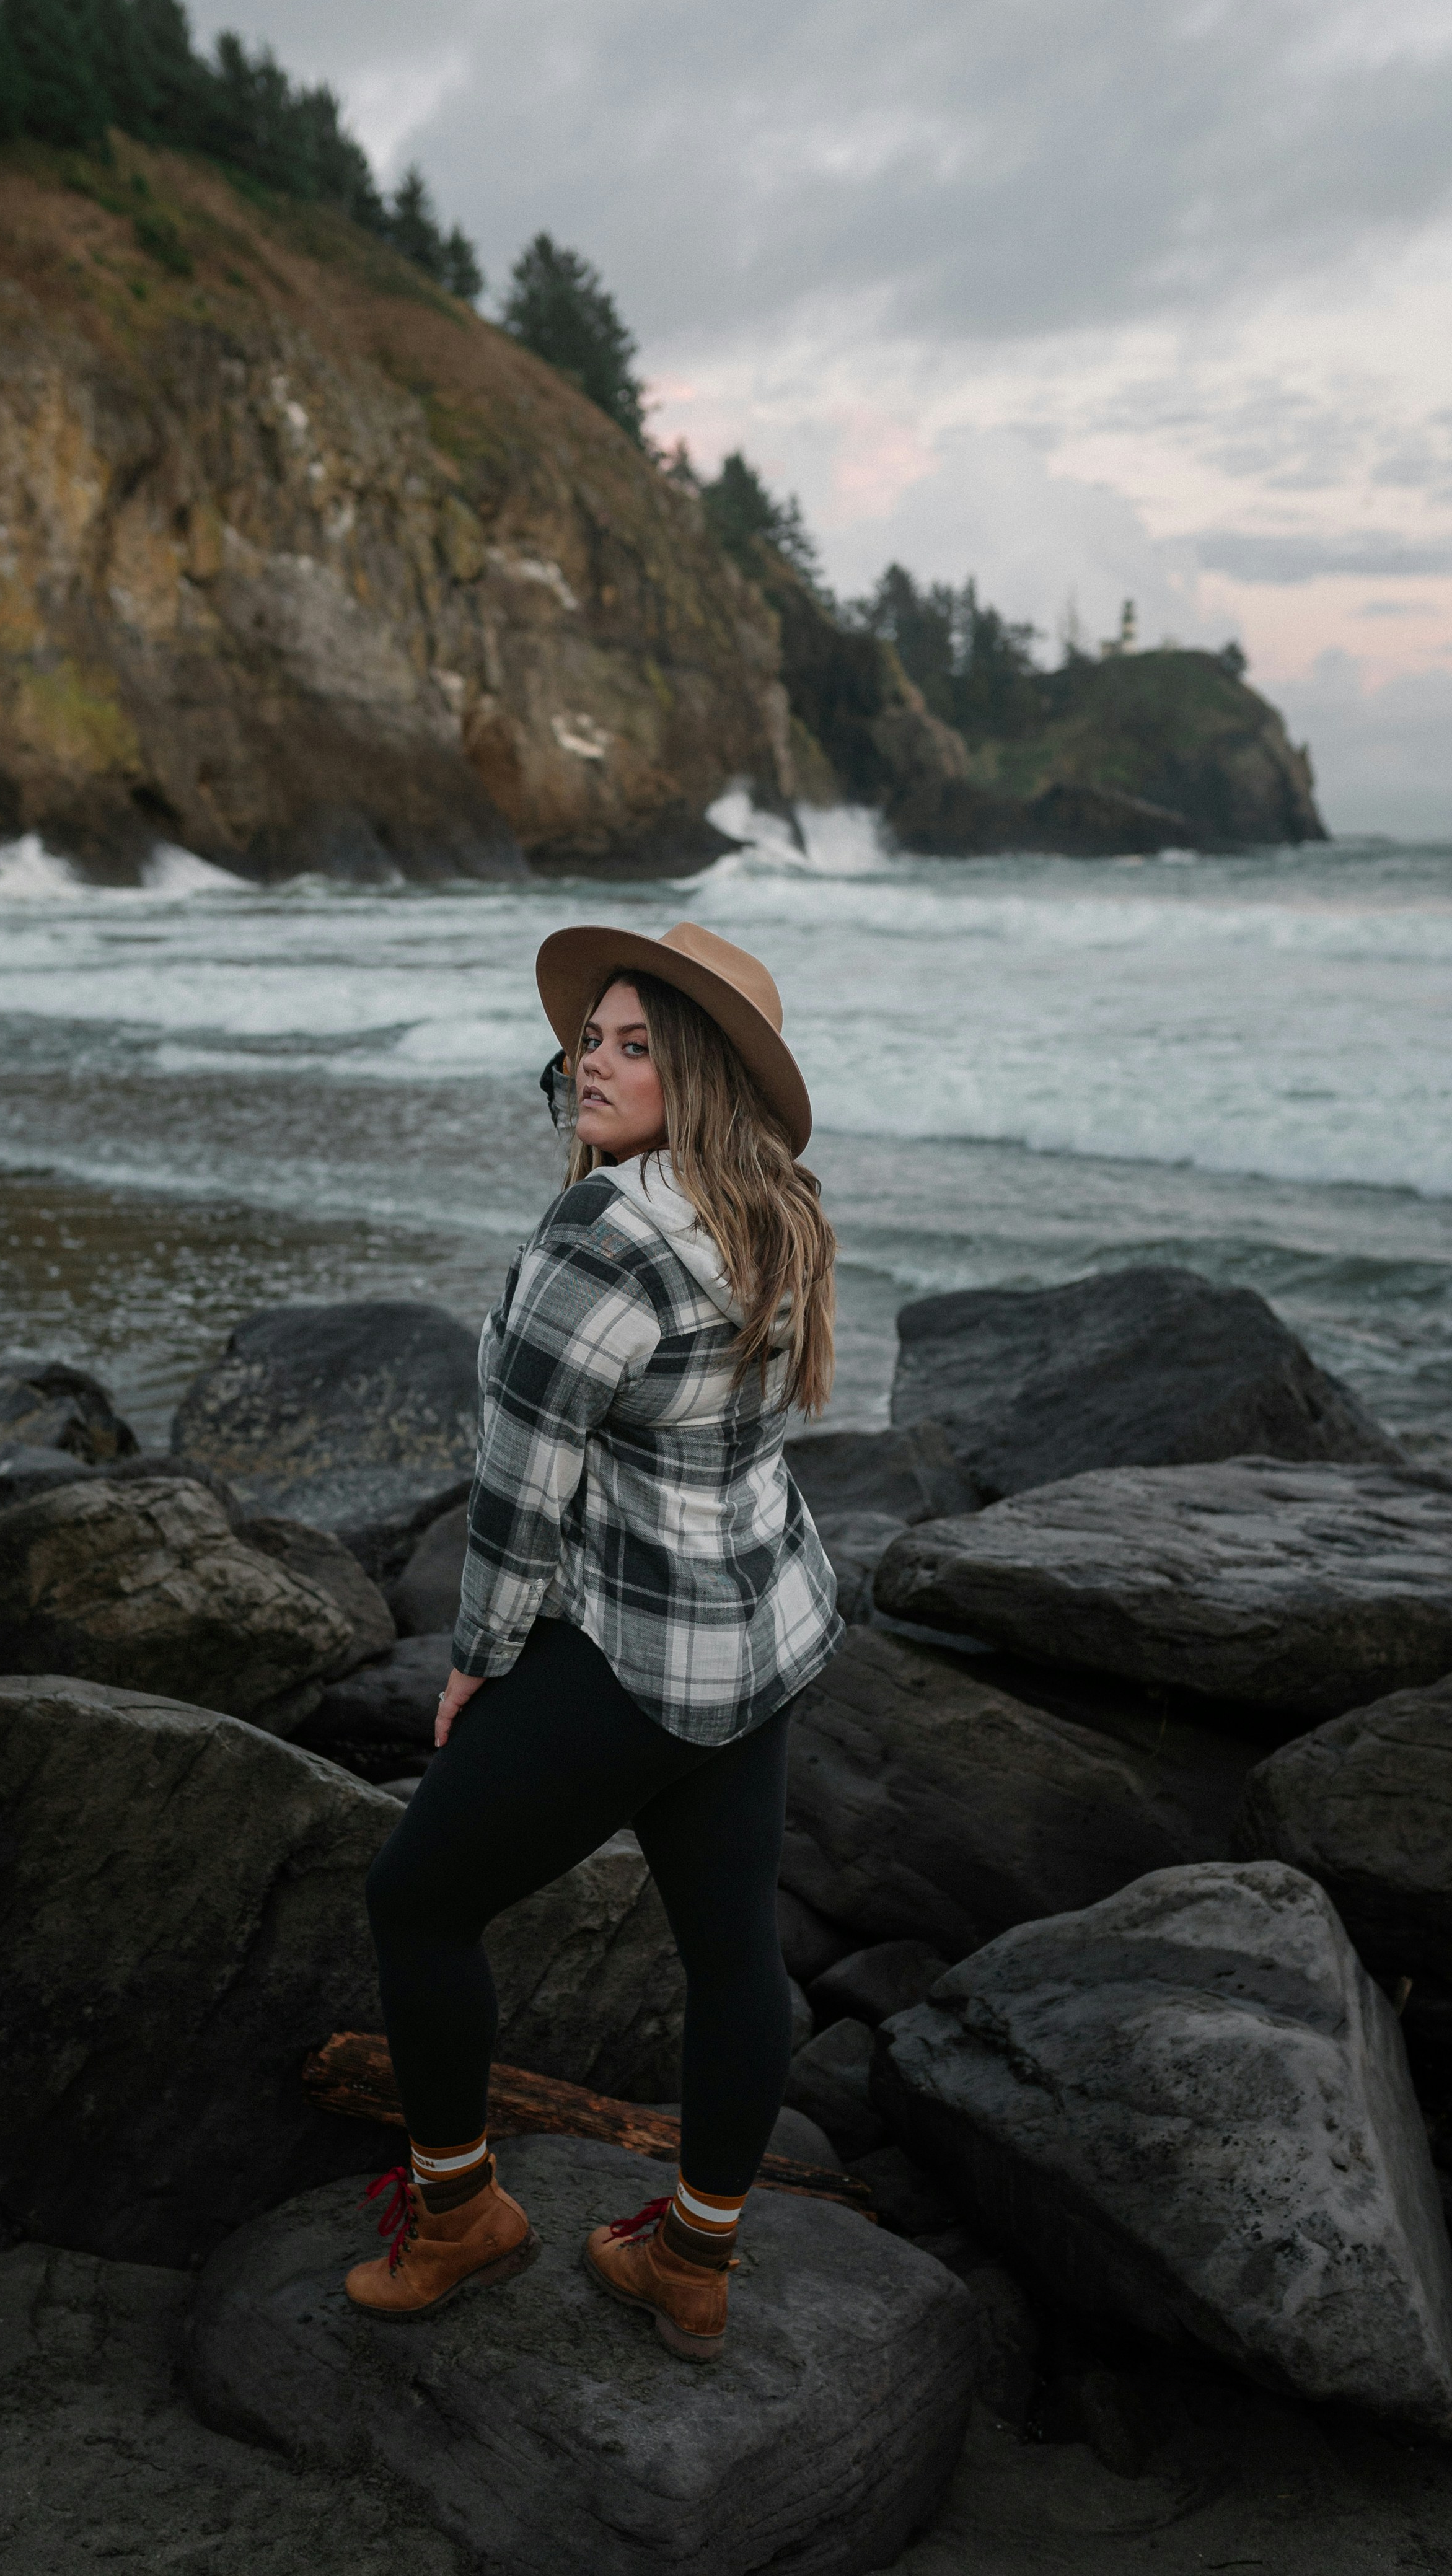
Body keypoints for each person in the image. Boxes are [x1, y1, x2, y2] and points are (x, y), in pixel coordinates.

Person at [346, 920, 841, 2360]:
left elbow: (521, 1479)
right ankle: (692, 2256)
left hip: (638, 1651)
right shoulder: (779, 1208)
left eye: (636, 1045)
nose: (594, 1066)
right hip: (761, 1634)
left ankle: (459, 2215)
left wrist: (477, 1656)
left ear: (695, 1075)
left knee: (417, 1900)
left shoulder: (603, 1231)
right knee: (735, 1949)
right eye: (590, 1041)